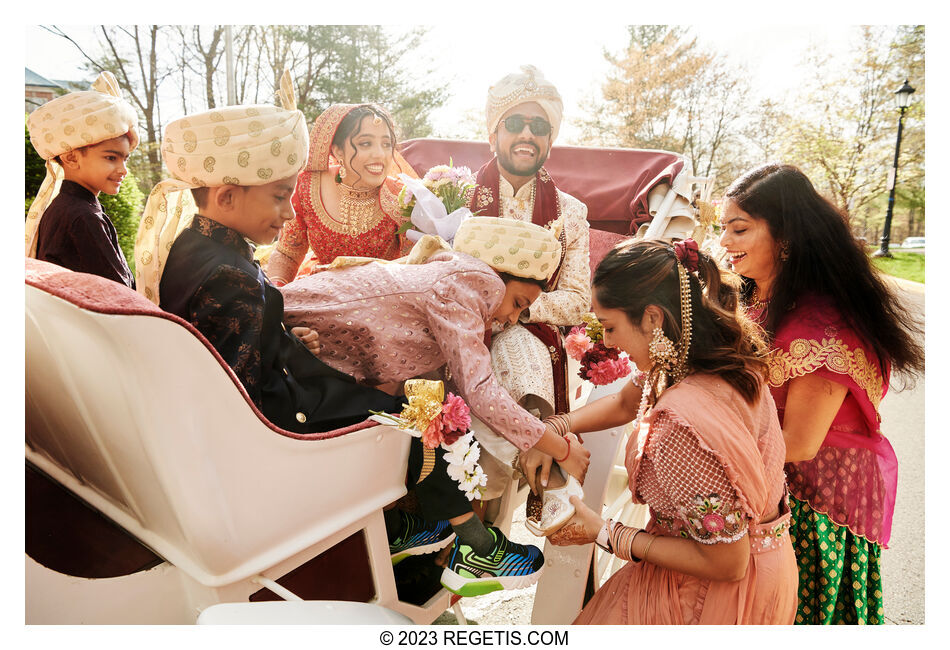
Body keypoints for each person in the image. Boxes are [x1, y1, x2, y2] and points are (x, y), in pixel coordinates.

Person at [280, 217, 592, 596]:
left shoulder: (454, 280)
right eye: (517, 303)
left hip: (305, 356)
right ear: (496, 275)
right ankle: (476, 547)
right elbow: (480, 390)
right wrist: (560, 448)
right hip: (289, 354)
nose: (511, 318)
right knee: (433, 410)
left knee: (433, 407)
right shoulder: (472, 285)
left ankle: (426, 535)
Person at [536, 238, 797, 624]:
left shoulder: (681, 425)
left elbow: (728, 561)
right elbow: (627, 402)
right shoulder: (710, 361)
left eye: (610, 327)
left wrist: (604, 532)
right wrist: (553, 429)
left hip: (714, 592)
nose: (607, 342)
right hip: (764, 568)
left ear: (653, 318)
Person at [133, 72, 403, 436]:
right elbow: (245, 404)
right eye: (279, 197)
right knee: (409, 416)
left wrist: (282, 336)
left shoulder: (189, 244)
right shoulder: (230, 277)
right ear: (226, 197)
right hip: (278, 424)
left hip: (278, 378)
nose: (291, 212)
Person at [719, 163, 925, 624]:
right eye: (723, 229)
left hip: (817, 504)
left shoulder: (822, 327)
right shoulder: (757, 296)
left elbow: (800, 443)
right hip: (768, 484)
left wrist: (703, 445)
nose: (725, 243)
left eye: (739, 229)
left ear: (785, 235)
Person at [464, 65, 591, 491]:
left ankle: (537, 467)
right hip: (457, 328)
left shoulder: (570, 213)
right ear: (493, 134)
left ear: (550, 140)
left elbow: (576, 300)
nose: (526, 135)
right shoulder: (456, 196)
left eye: (539, 126)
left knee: (514, 343)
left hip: (532, 336)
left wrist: (517, 306)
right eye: (514, 123)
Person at [266, 103, 413, 285]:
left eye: (386, 144)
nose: (380, 154)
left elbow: (414, 267)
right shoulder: (309, 186)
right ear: (337, 150)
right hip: (323, 293)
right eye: (365, 143)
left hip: (383, 296)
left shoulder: (401, 197)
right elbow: (288, 253)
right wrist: (275, 293)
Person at [26, 71, 139, 288]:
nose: (123, 169)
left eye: (125, 159)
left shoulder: (65, 207)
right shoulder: (83, 217)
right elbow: (120, 294)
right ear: (71, 158)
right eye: (111, 157)